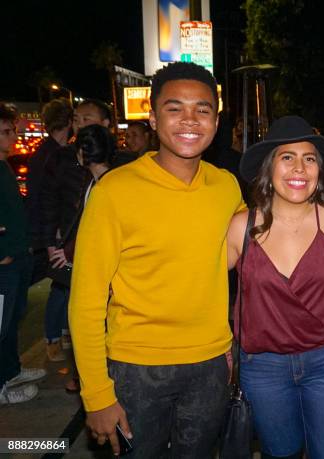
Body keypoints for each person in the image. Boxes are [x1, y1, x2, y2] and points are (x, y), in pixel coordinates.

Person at [69, 62, 243, 458]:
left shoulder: (226, 186)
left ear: (215, 121)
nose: (190, 119)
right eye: (174, 107)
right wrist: (96, 394)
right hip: (136, 369)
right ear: (151, 117)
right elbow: (86, 301)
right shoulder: (115, 191)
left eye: (202, 109)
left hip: (210, 365)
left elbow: (255, 244)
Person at [226, 115, 324, 459]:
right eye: (288, 157)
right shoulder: (242, 225)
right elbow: (201, 287)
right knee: (280, 453)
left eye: (310, 158)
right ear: (270, 169)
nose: (300, 168)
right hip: (262, 368)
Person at [39, 98, 111, 370]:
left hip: (90, 255)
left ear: (105, 125)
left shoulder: (114, 175)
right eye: (77, 119)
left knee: (90, 313)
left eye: (87, 120)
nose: (79, 125)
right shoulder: (63, 160)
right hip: (73, 250)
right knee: (78, 309)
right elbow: (48, 202)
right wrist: (54, 243)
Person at [0, 102, 46, 404]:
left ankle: (11, 371)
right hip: (5, 263)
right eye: (5, 131)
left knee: (11, 321)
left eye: (12, 129)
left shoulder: (4, 165)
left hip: (18, 258)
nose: (13, 136)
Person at [27, 97, 73, 361]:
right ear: (67, 122)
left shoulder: (46, 151)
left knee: (61, 283)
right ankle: (54, 338)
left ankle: (58, 336)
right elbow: (48, 199)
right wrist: (52, 235)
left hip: (48, 231)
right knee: (61, 283)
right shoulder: (54, 155)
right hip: (53, 233)